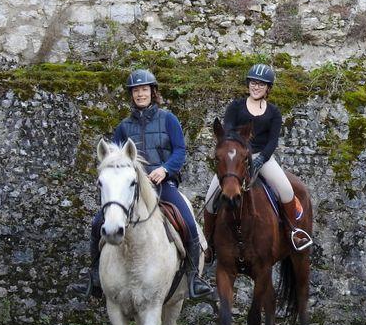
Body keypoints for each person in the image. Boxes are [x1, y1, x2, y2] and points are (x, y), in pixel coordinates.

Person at [86, 69, 213, 301]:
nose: (140, 94)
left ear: (153, 92)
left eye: (144, 89)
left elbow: (180, 150)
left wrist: (165, 169)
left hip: (163, 185)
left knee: (187, 221)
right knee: (97, 223)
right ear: (131, 95)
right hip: (132, 188)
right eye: (136, 91)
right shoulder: (123, 127)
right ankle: (94, 277)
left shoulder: (168, 119)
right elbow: (115, 158)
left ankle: (194, 278)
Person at [203, 63, 313, 251]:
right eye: (253, 82)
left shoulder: (274, 113)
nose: (256, 87)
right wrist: (240, 156)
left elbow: (272, 141)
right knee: (209, 199)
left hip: (263, 158)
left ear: (267, 88)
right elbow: (229, 134)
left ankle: (292, 232)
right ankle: (208, 241)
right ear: (248, 84)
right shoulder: (235, 107)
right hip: (237, 160)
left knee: (287, 191)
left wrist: (261, 158)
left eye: (261, 84)